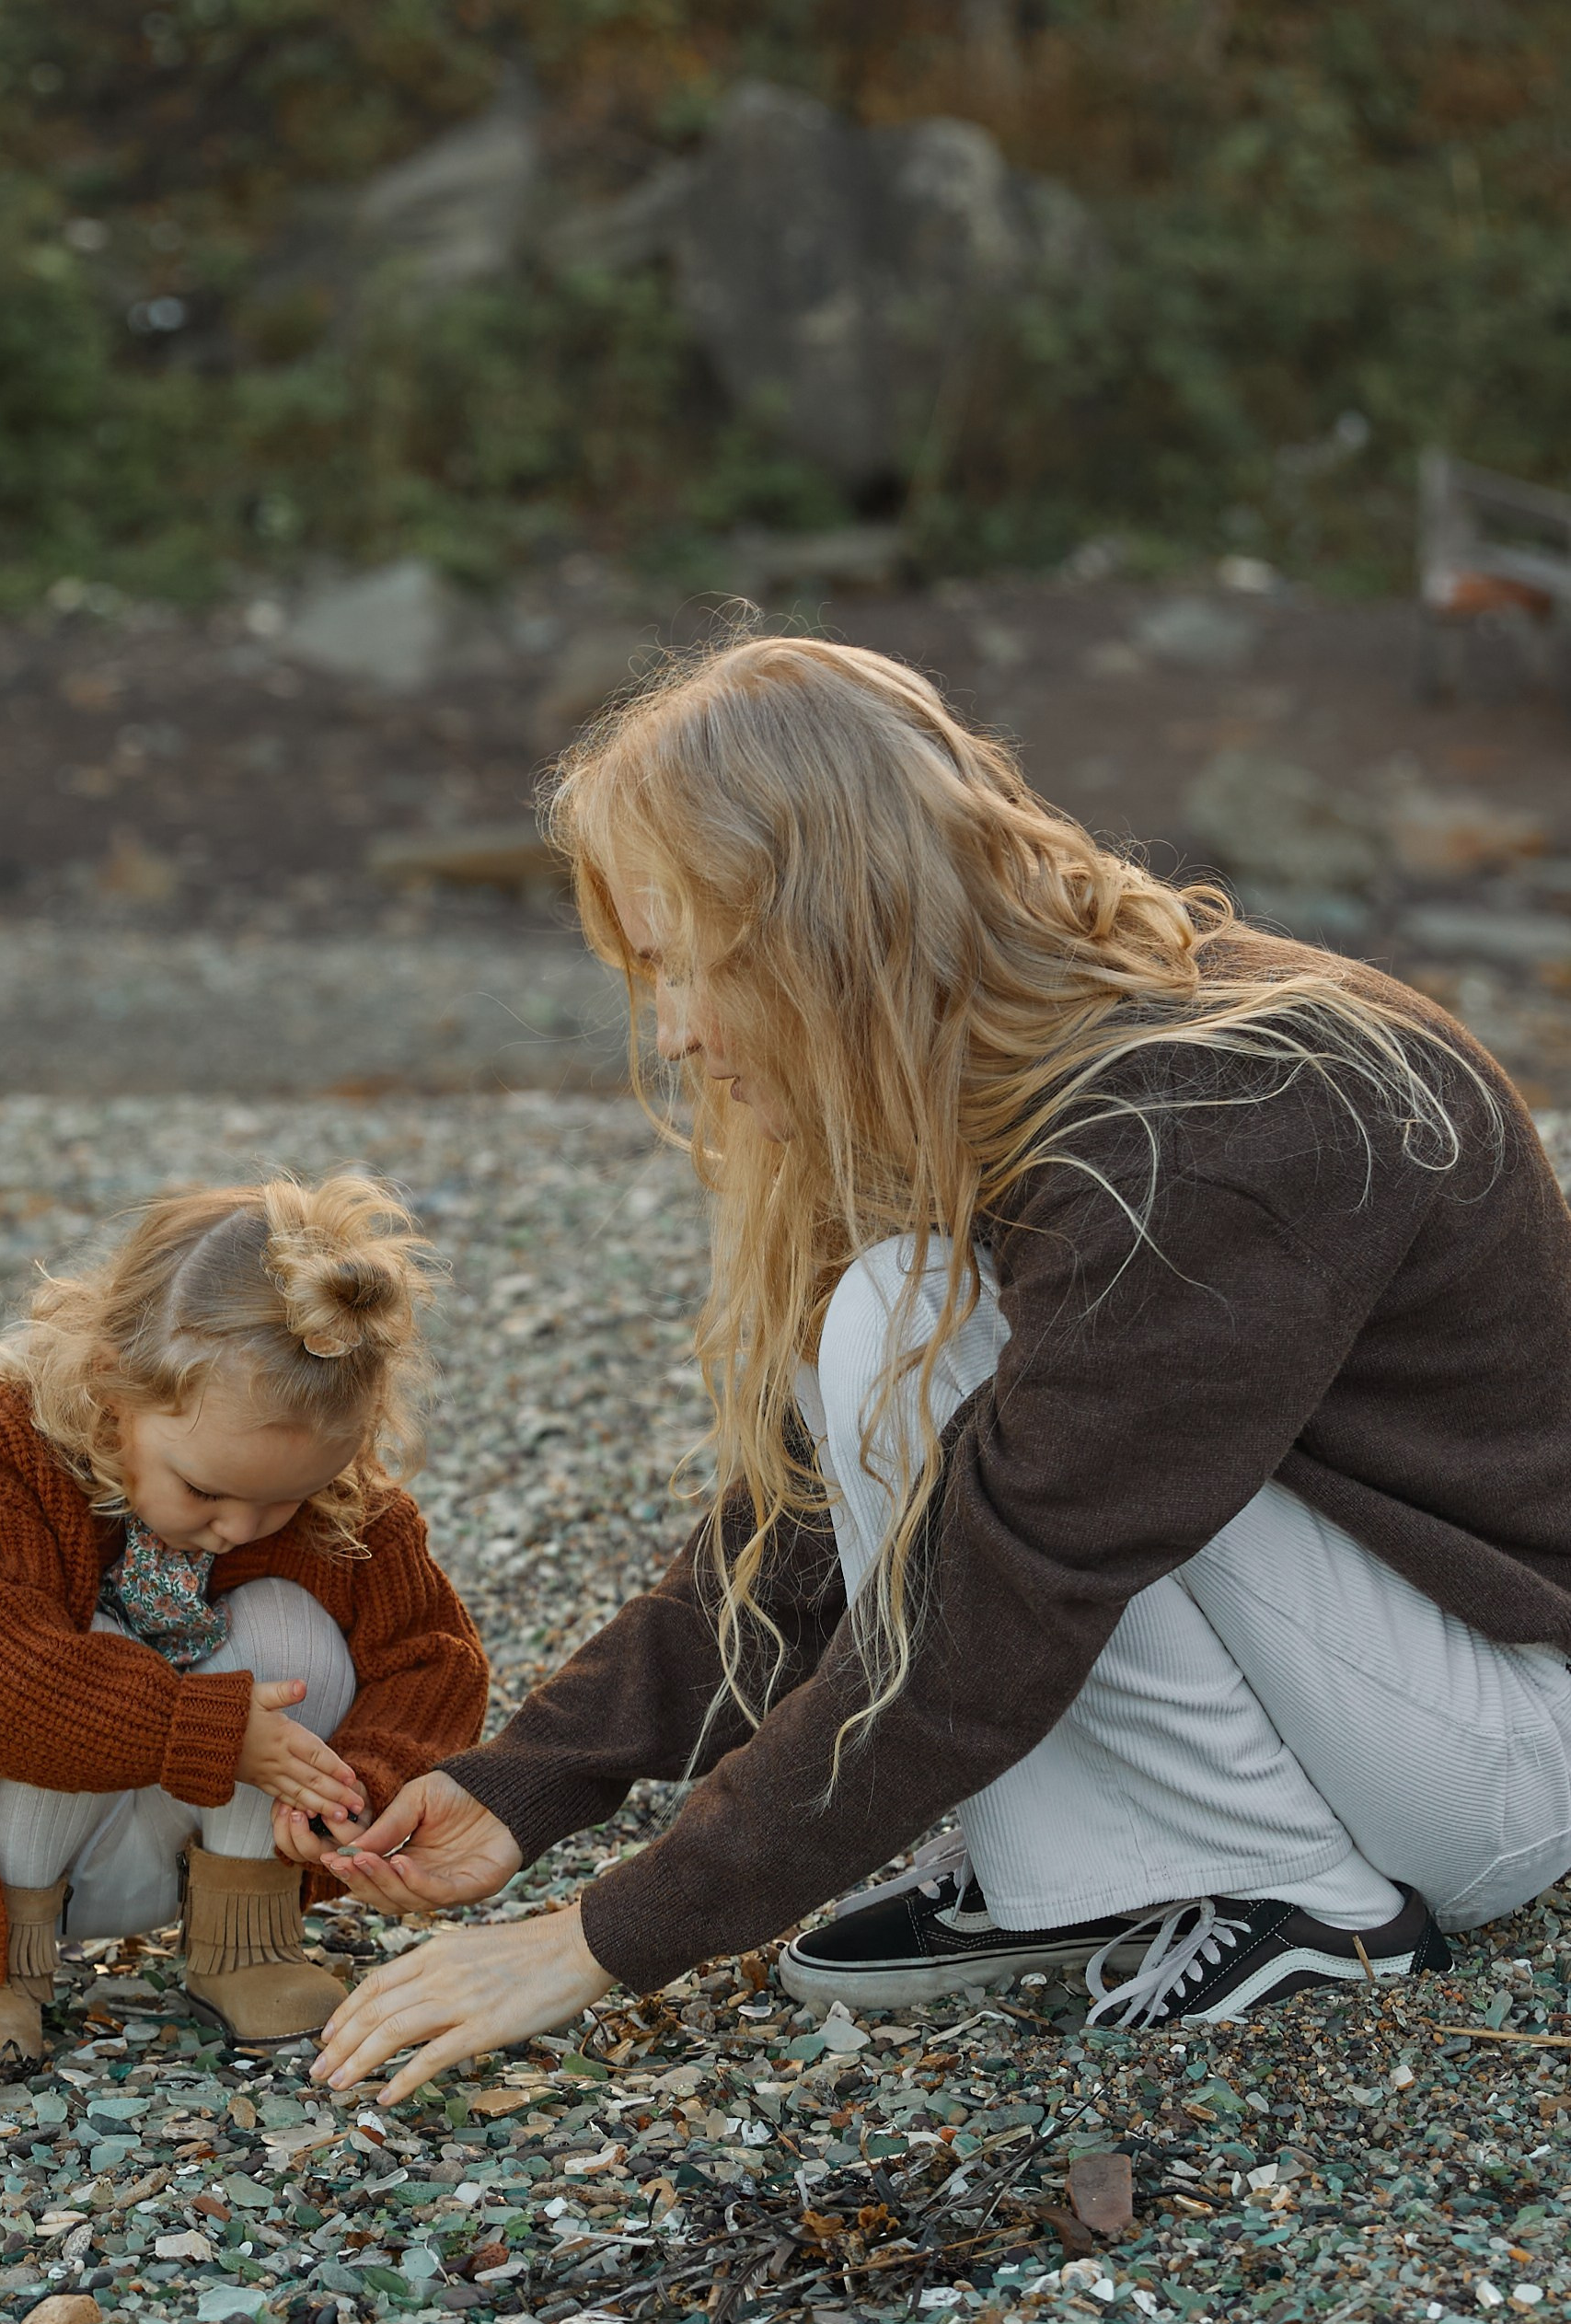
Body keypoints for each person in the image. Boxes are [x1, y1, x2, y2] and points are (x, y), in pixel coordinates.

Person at [307, 633, 1571, 2103]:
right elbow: (810, 1523)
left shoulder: (1225, 1116)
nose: (673, 1032)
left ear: (831, 929)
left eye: (686, 968)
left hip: (1491, 1752)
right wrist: (531, 1784)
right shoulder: (1013, 1054)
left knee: (923, 1336)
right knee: (899, 1320)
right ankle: (1103, 1858)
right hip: (1366, 1672)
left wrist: (599, 1937)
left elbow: (995, 1593)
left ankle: (1297, 1892)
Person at [0, 1174, 489, 2080]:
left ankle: (245, 1946)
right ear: (113, 1384)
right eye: (204, 1489)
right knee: (82, 1648)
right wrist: (206, 1729)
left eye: (285, 1498)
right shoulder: (9, 1445)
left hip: (200, 1845)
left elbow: (430, 1657)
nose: (239, 1526)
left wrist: (357, 1784)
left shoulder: (338, 1501)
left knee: (293, 1628)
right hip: (15, 1855)